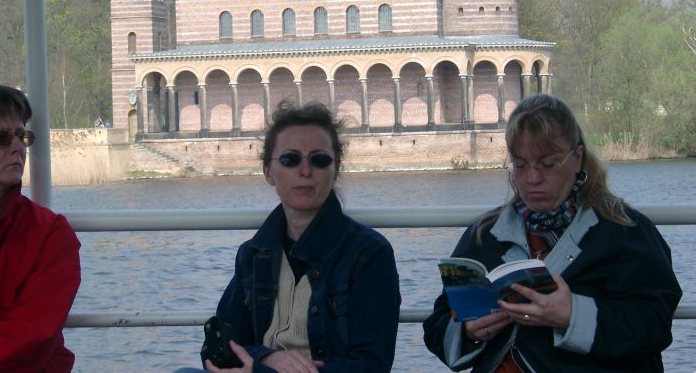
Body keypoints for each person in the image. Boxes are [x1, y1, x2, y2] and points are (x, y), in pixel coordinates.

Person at [423, 93, 681, 372]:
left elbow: (654, 325)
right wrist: (468, 333)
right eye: (520, 165)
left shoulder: (625, 230)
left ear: (577, 158)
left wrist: (572, 315)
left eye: (548, 164)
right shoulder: (485, 233)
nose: (532, 178)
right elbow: (438, 325)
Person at [179, 100, 401, 372]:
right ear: (268, 172)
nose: (305, 171)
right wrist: (267, 357)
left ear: (335, 171)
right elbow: (219, 341)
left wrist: (262, 369)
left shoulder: (368, 254)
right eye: (290, 159)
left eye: (319, 160)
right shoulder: (253, 254)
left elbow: (371, 364)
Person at [0, 78, 81, 372]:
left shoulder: (49, 235)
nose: (18, 148)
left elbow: (32, 336)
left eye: (22, 136)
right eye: (2, 138)